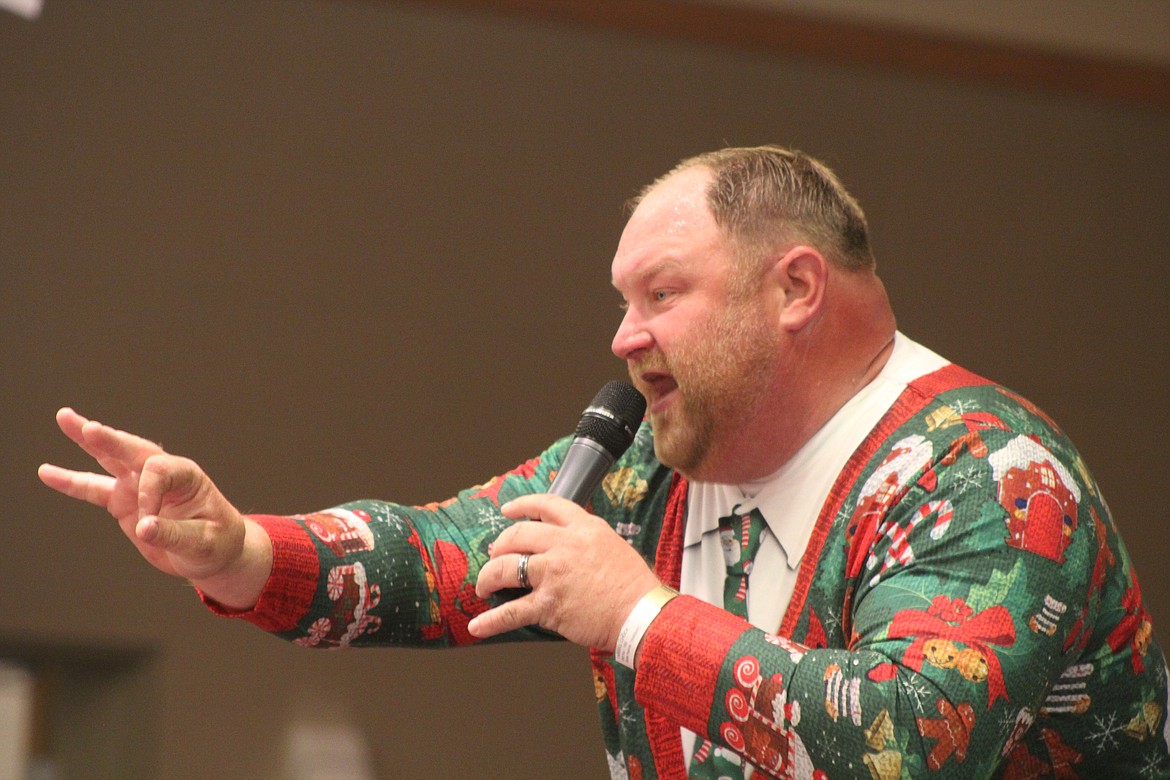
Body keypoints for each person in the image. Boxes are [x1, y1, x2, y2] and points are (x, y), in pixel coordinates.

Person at [40, 146, 1169, 779]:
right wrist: (237, 548)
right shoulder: (659, 466)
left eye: (662, 296)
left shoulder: (985, 471)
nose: (624, 338)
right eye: (622, 303)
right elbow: (442, 556)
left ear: (795, 289)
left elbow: (904, 748)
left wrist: (637, 617)